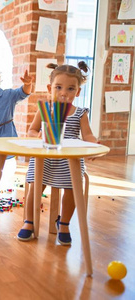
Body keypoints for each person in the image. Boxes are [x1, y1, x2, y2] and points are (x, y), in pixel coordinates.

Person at [17, 61, 98, 245]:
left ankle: (64, 223)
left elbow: (88, 135)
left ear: (77, 92)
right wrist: (37, 135)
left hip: (68, 160)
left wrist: (93, 144)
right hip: (45, 157)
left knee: (71, 187)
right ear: (50, 88)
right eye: (59, 87)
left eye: (70, 89)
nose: (64, 93)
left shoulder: (80, 113)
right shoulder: (46, 109)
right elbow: (31, 131)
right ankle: (29, 221)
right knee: (35, 185)